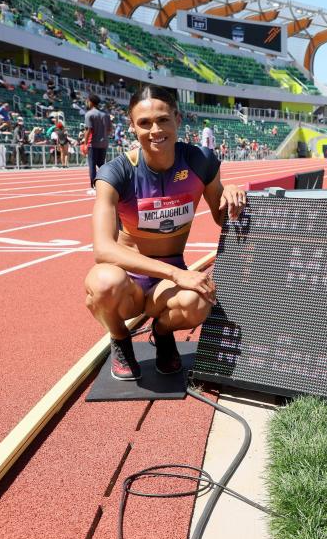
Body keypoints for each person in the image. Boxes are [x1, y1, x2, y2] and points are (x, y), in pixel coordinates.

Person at [84, 85, 245, 380]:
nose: (155, 130)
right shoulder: (114, 174)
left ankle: (162, 332)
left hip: (167, 280)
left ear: (178, 119)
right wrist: (176, 275)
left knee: (197, 303)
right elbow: (103, 250)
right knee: (103, 283)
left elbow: (224, 218)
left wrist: (232, 193)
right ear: (132, 127)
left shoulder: (200, 162)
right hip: (128, 278)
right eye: (144, 123)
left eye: (163, 120)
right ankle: (120, 339)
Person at [81, 95, 112, 194]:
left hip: (93, 143)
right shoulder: (106, 115)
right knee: (101, 164)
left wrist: (85, 143)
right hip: (104, 143)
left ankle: (94, 186)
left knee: (92, 165)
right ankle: (109, 181)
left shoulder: (89, 114)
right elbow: (110, 129)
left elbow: (88, 130)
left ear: (90, 102)